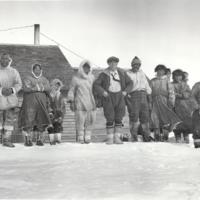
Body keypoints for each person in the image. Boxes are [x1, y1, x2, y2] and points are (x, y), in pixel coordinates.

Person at [93, 56, 133, 144]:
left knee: (119, 117)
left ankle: (117, 138)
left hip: (120, 96)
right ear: (108, 64)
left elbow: (130, 83)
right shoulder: (104, 74)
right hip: (109, 97)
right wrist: (103, 92)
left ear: (117, 63)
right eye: (111, 63)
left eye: (115, 63)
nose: (113, 64)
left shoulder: (122, 73)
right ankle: (110, 138)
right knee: (110, 117)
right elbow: (96, 85)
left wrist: (126, 91)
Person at [18, 63, 51, 146]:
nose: (37, 71)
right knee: (28, 121)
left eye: (39, 69)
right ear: (32, 70)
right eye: (36, 69)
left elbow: (48, 88)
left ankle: (40, 140)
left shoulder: (45, 79)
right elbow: (27, 88)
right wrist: (39, 88)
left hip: (41, 104)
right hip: (30, 104)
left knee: (41, 121)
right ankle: (28, 140)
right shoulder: (27, 78)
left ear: (41, 70)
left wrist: (36, 87)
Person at [67, 60, 96, 144]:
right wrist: (71, 100)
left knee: (90, 120)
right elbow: (71, 90)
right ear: (81, 68)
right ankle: (80, 137)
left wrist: (98, 98)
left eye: (88, 67)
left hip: (90, 102)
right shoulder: (76, 78)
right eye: (85, 67)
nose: (87, 69)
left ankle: (87, 137)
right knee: (80, 120)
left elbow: (96, 89)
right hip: (80, 102)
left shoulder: (92, 78)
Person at [150, 65, 181, 141]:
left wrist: (171, 103)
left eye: (162, 71)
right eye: (158, 71)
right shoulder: (153, 81)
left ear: (164, 72)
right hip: (154, 101)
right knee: (155, 118)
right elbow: (149, 91)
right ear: (156, 71)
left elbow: (171, 92)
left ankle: (165, 136)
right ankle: (156, 136)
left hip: (164, 101)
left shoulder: (167, 81)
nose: (160, 72)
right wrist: (150, 101)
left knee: (165, 119)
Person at [126, 56, 152, 142]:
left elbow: (147, 85)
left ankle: (146, 137)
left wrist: (149, 92)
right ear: (132, 65)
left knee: (145, 117)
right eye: (135, 64)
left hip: (143, 95)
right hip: (134, 95)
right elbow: (125, 86)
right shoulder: (128, 74)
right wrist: (128, 95)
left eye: (138, 65)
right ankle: (134, 137)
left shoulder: (142, 73)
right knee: (134, 116)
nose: (136, 66)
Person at [0, 53, 22, 147]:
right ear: (0, 60)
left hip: (11, 99)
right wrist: (1, 90)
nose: (5, 60)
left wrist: (11, 90)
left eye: (7, 59)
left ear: (10, 60)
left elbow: (19, 84)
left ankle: (7, 140)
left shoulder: (14, 71)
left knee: (9, 120)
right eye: (3, 58)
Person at [172, 69, 197, 143]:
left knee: (186, 122)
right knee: (177, 122)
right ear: (174, 77)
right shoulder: (171, 84)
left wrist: (182, 95)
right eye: (176, 76)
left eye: (179, 76)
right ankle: (177, 136)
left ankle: (186, 136)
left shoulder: (185, 85)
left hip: (186, 106)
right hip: (176, 105)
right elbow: (170, 93)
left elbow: (189, 93)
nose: (178, 77)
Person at [47, 79, 66, 145]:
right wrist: (49, 111)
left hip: (58, 114)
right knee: (51, 127)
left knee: (58, 126)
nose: (57, 87)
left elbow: (63, 106)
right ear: (52, 86)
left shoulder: (60, 95)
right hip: (51, 114)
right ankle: (52, 140)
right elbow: (47, 104)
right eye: (55, 85)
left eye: (58, 86)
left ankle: (58, 140)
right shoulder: (49, 95)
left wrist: (61, 114)